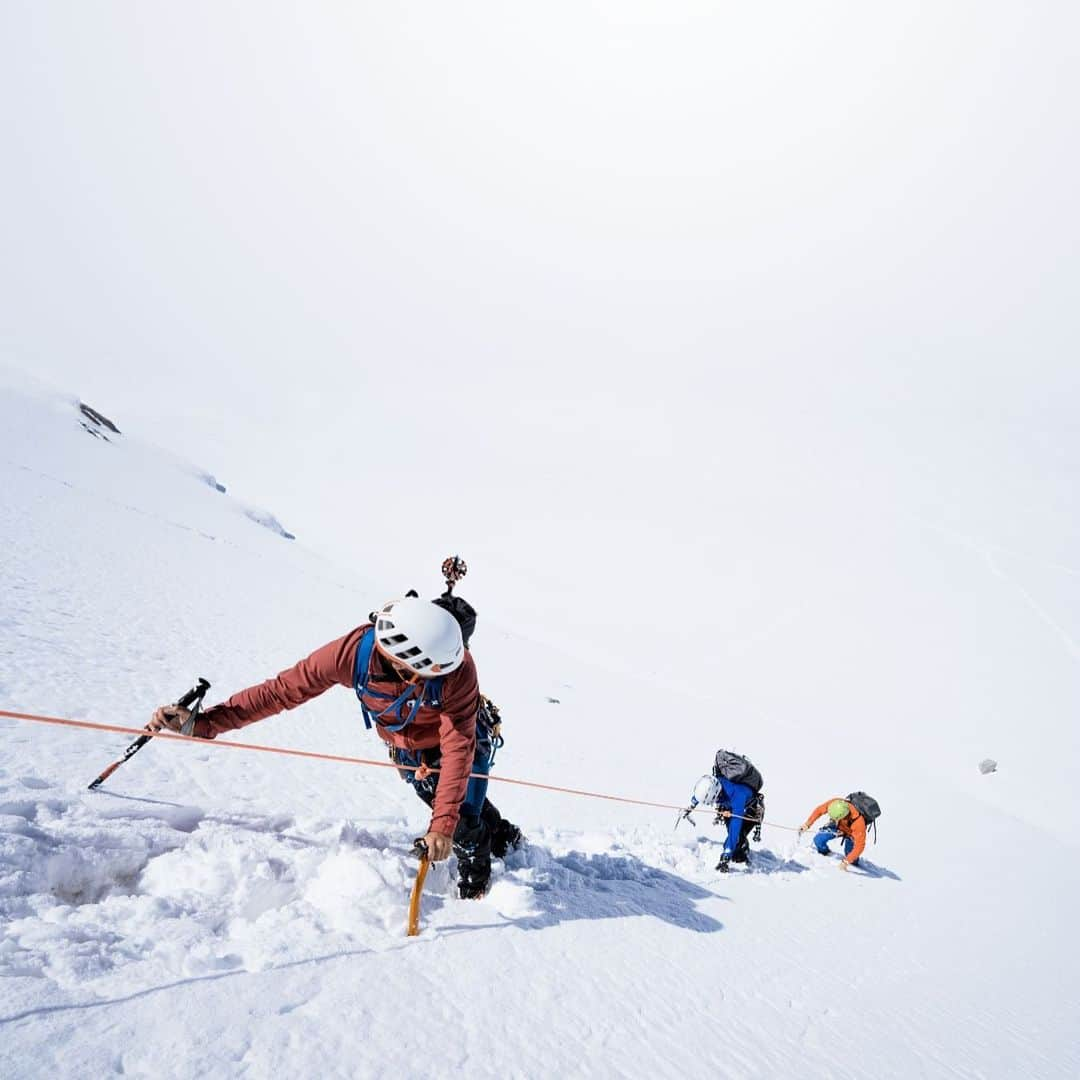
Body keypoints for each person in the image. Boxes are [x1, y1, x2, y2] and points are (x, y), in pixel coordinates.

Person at [149, 595, 520, 898]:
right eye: (425, 675)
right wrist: (205, 723)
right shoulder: (352, 654)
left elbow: (458, 747)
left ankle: (476, 882)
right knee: (444, 800)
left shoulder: (457, 670)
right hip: (407, 751)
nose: (434, 680)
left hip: (462, 741)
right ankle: (503, 836)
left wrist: (442, 827)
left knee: (460, 820)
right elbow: (280, 692)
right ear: (401, 661)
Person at [686, 750, 765, 872]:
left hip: (751, 811)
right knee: (734, 835)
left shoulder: (737, 795)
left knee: (737, 843)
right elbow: (702, 793)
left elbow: (735, 826)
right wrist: (691, 806)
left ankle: (742, 852)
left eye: (714, 800)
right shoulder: (714, 782)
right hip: (729, 807)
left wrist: (726, 854)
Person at [799, 798, 866, 870]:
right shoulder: (835, 803)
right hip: (837, 826)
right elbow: (819, 810)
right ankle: (825, 853)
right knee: (818, 840)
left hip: (851, 833)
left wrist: (846, 861)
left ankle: (853, 862)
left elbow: (859, 846)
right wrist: (807, 824)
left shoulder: (859, 823)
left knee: (852, 859)